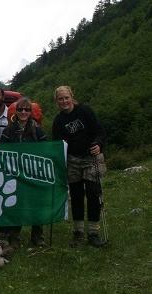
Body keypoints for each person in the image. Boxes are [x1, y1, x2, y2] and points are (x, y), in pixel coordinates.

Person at [52, 86, 107, 247]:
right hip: (72, 161)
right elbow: (57, 143)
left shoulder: (85, 111)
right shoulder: (58, 121)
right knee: (75, 196)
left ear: (72, 97)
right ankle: (78, 233)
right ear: (57, 101)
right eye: (60, 99)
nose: (64, 101)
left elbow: (100, 131)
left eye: (66, 98)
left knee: (92, 193)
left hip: (91, 157)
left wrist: (98, 144)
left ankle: (93, 233)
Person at [0, 98, 47, 248]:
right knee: (14, 204)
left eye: (26, 109)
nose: (23, 112)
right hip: (15, 174)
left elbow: (46, 150)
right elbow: (2, 152)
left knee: (36, 204)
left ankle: (37, 236)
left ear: (31, 112)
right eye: (20, 110)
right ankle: (14, 236)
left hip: (34, 174)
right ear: (16, 112)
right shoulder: (8, 130)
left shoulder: (37, 130)